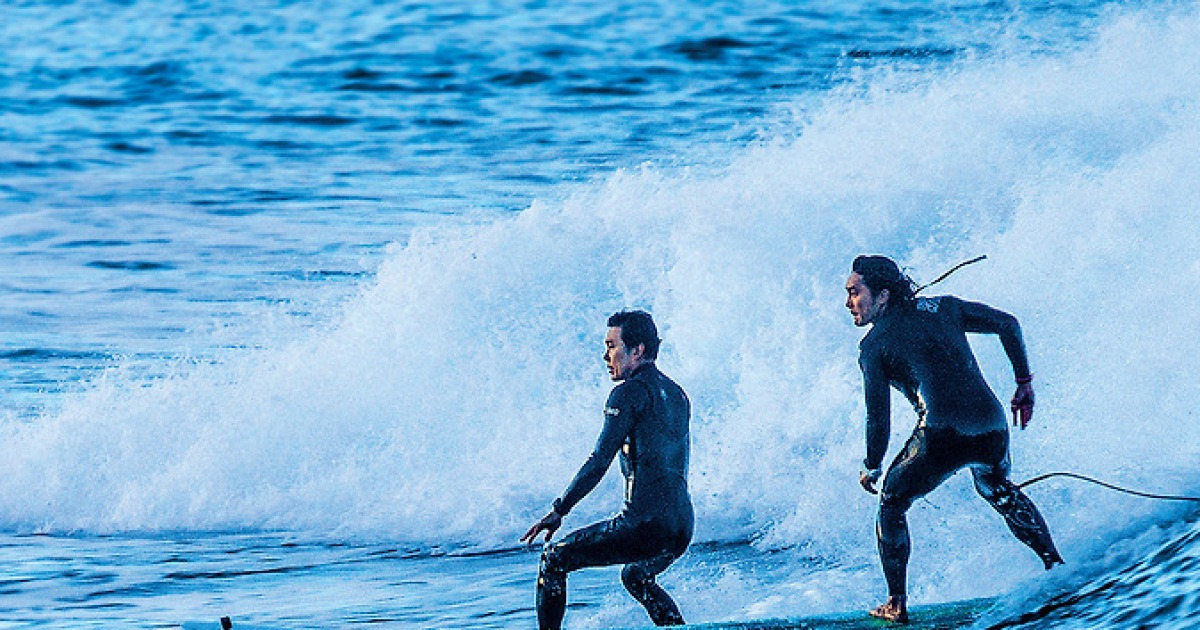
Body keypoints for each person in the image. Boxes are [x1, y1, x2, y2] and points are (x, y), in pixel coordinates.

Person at [845, 255, 1063, 624]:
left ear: (882, 295)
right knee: (997, 486)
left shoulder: (873, 347)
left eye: (854, 292)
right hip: (991, 426)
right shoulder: (944, 308)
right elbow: (1007, 324)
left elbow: (878, 417)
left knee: (892, 502)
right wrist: (1024, 383)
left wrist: (872, 464)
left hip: (941, 433)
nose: (848, 302)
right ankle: (1055, 566)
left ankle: (896, 604)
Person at [521, 310, 694, 630]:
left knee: (554, 557)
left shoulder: (628, 393)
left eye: (612, 345)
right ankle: (675, 627)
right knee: (636, 575)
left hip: (646, 524)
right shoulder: (677, 394)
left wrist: (560, 510)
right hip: (682, 526)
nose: (605, 355)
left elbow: (599, 461)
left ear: (637, 350)